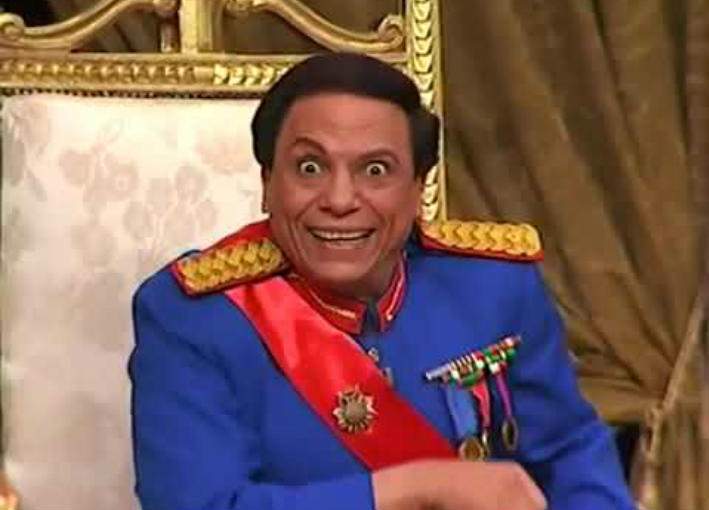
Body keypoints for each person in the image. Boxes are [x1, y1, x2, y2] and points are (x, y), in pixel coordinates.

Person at [130, 52, 635, 510]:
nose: (340, 200)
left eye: (375, 170)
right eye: (310, 167)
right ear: (267, 184)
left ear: (417, 190)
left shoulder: (494, 285)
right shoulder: (194, 315)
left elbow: (570, 450)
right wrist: (417, 488)